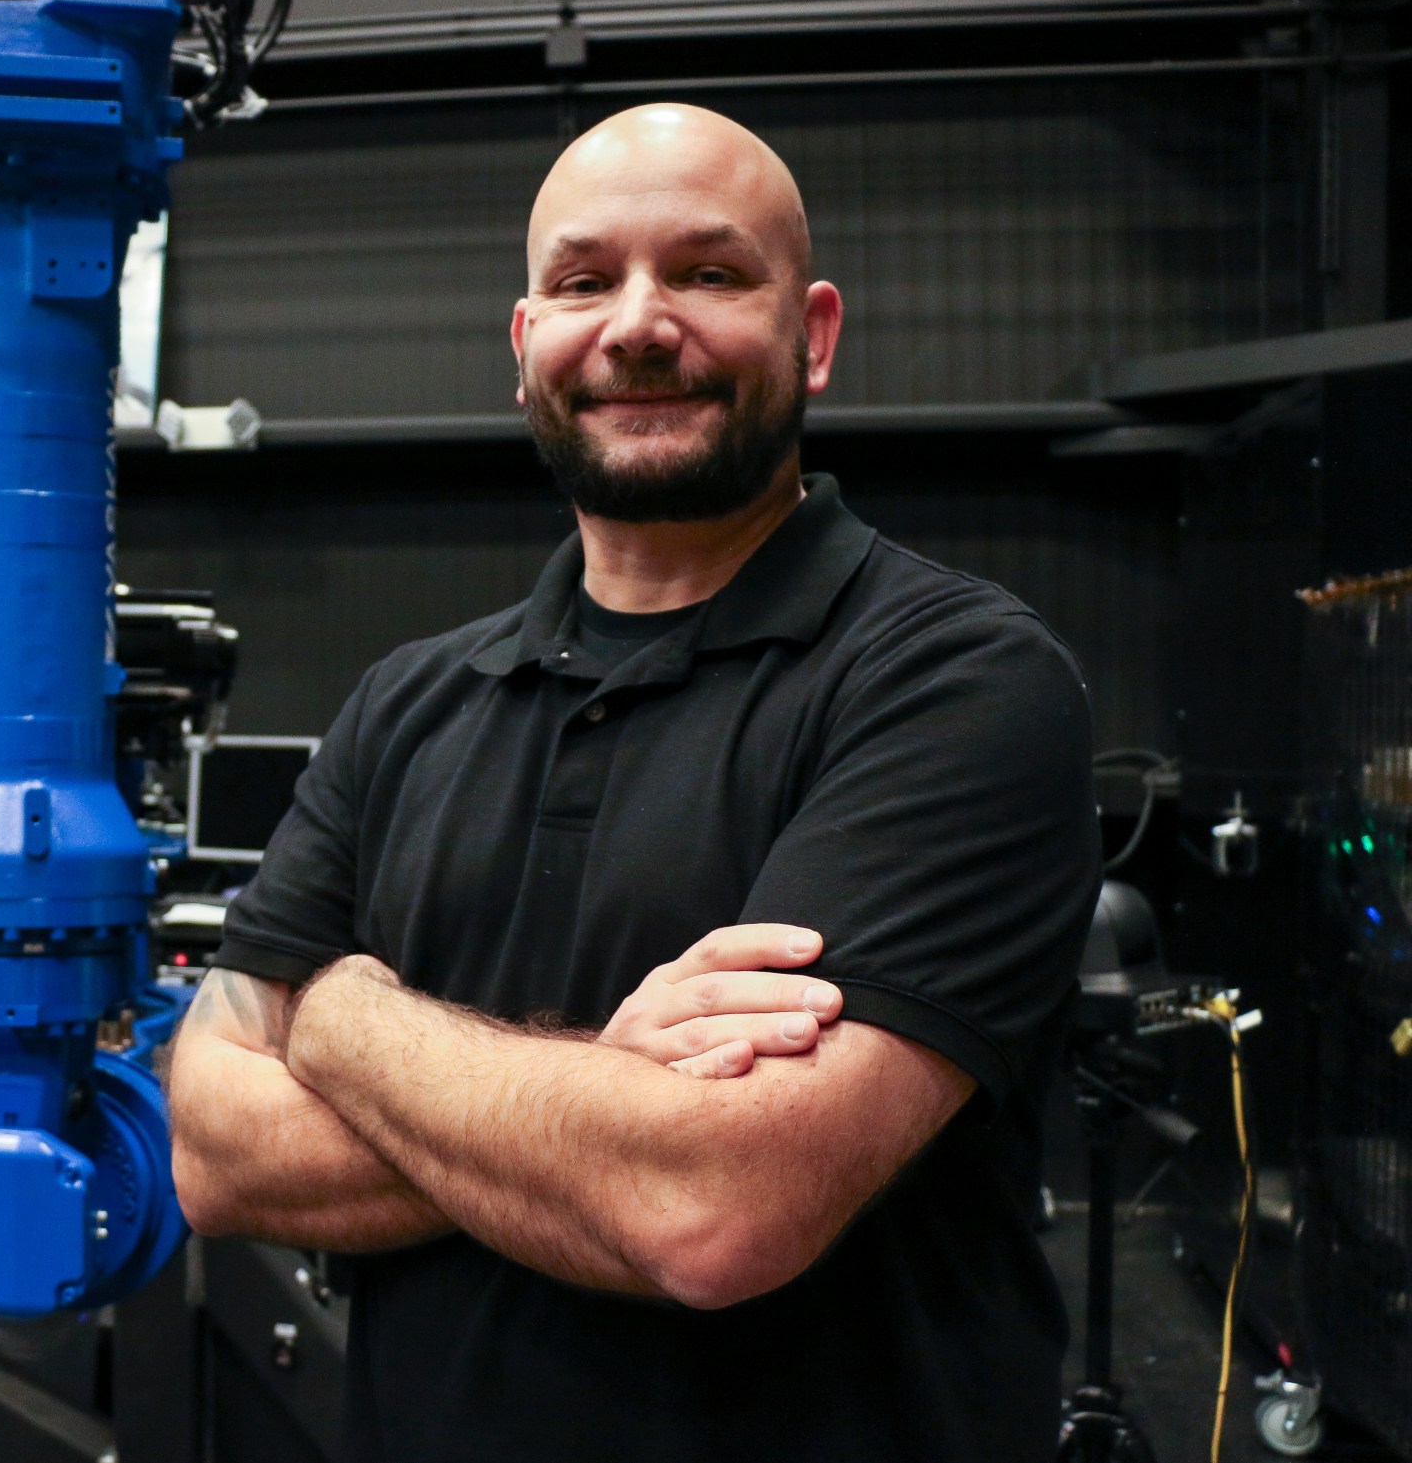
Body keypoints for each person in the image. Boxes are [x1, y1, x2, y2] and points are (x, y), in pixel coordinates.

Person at [165, 102, 1100, 1462]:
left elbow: (714, 1206)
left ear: (815, 332)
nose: (639, 325)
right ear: (526, 342)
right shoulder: (411, 703)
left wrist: (342, 1013)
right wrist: (603, 1087)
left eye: (710, 274)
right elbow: (210, 1147)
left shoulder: (957, 681)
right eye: (585, 280)